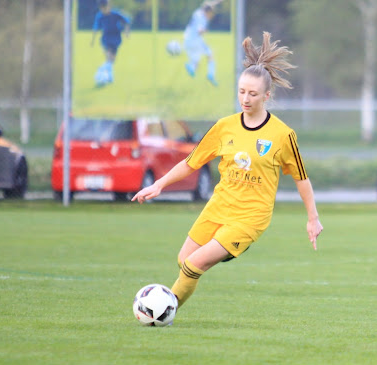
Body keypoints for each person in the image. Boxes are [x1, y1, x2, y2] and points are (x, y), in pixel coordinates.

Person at [132, 32, 323, 310]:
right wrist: (159, 184)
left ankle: (159, 311)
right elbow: (191, 162)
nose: (245, 99)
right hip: (219, 207)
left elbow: (301, 179)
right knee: (184, 260)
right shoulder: (224, 126)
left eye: (253, 94)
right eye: (241, 91)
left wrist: (312, 219)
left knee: (193, 265)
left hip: (250, 217)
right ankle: (165, 306)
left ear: (266, 96)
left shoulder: (282, 135)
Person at [90, 0, 131, 86]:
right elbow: (95, 27)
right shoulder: (100, 16)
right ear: (100, 8)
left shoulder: (115, 14)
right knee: (109, 57)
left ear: (109, 6)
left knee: (111, 60)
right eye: (102, 8)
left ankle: (109, 76)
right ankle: (103, 73)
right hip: (106, 39)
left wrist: (127, 31)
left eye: (106, 7)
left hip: (116, 39)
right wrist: (92, 40)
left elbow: (127, 21)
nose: (104, 10)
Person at [183, 0, 222, 85]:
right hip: (195, 41)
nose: (210, 16)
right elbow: (200, 30)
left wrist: (218, 1)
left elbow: (206, 4)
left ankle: (193, 68)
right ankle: (210, 74)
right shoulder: (202, 18)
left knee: (199, 60)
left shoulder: (198, 12)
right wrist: (205, 30)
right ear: (207, 12)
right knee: (210, 54)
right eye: (210, 13)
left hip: (187, 39)